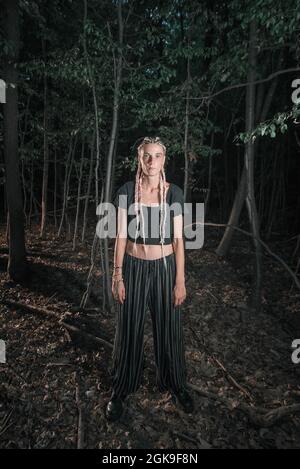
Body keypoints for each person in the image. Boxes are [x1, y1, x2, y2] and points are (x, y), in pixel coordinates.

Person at [105, 136, 194, 422]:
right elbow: (120, 237)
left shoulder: (174, 193)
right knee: (129, 326)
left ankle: (176, 383)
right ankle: (121, 388)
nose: (152, 161)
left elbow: (179, 240)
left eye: (157, 155)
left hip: (166, 268)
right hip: (134, 266)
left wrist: (180, 280)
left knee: (169, 327)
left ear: (164, 160)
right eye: (146, 155)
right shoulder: (126, 191)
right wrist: (117, 275)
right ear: (139, 159)